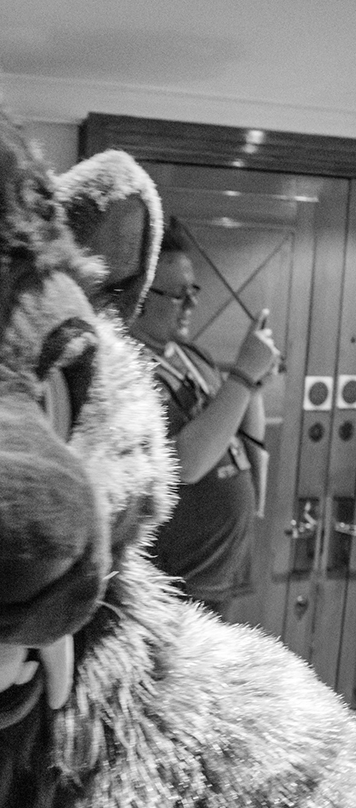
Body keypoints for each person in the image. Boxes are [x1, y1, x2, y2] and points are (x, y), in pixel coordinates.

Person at [131, 225, 281, 616]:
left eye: (193, 290)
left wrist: (253, 388)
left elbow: (237, 431)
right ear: (140, 297)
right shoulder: (131, 369)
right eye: (179, 294)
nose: (192, 303)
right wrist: (243, 375)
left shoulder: (192, 355)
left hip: (219, 574)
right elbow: (188, 463)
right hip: (173, 585)